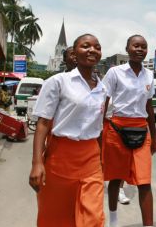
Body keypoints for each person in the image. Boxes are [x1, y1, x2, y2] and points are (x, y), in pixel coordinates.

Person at [29, 34, 106, 227]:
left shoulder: (103, 89)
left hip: (91, 159)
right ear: (74, 52)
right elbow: (43, 124)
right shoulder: (58, 82)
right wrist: (37, 163)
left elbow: (99, 127)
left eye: (97, 47)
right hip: (60, 158)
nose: (92, 50)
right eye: (85, 46)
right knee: (56, 217)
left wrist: (102, 158)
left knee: (93, 218)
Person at [102, 34, 156, 227]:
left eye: (144, 46)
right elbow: (104, 102)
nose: (140, 49)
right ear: (127, 49)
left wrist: (155, 135)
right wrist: (99, 133)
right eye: (136, 46)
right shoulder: (115, 73)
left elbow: (149, 106)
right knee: (116, 179)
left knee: (144, 181)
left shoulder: (149, 75)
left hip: (142, 130)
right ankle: (114, 221)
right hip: (116, 128)